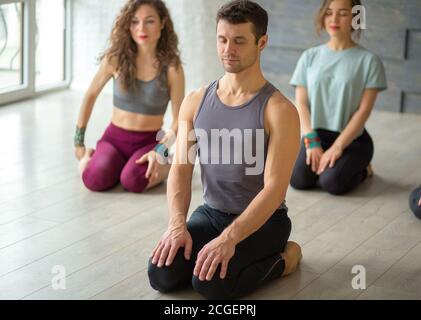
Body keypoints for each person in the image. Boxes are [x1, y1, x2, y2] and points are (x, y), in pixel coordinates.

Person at [147, 0, 302, 300]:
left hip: (265, 222)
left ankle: (286, 259)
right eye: (222, 39)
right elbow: (180, 167)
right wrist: (177, 224)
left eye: (239, 41)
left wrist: (230, 238)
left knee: (212, 285)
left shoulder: (279, 110)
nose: (228, 49)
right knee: (162, 274)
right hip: (211, 213)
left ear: (262, 42)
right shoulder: (195, 101)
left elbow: (274, 188)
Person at [74, 0, 185, 193]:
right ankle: (105, 161)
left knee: (132, 181)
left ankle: (169, 163)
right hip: (114, 139)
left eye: (149, 21)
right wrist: (79, 142)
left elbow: (179, 119)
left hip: (150, 142)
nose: (141, 28)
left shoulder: (172, 68)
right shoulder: (115, 59)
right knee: (93, 178)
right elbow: (90, 95)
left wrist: (159, 151)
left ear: (163, 23)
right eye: (134, 21)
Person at [289, 0, 387, 195]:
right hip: (316, 135)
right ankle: (326, 163)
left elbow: (364, 111)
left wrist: (337, 147)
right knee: (299, 180)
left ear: (355, 18)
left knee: (332, 183)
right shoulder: (309, 56)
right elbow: (301, 103)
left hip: (352, 139)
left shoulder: (369, 61)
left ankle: (364, 169)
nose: (333, 19)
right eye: (328, 12)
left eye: (342, 13)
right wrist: (311, 141)